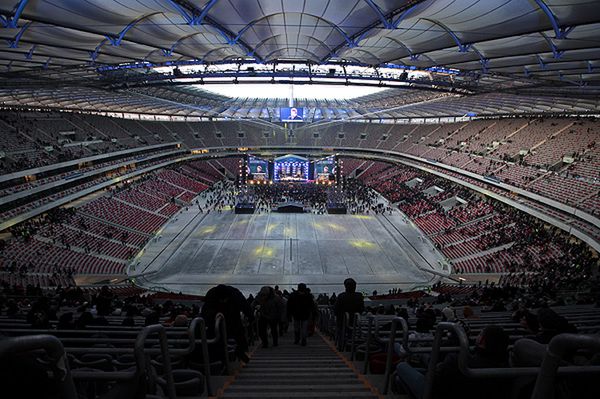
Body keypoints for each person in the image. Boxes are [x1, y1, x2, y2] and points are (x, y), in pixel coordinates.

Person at [395, 325, 510, 399]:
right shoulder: (506, 369)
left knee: (401, 366)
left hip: (434, 393)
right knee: (412, 373)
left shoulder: (458, 361)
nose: (477, 336)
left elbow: (435, 378)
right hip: (459, 390)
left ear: (482, 340)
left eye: (480, 334)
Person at [200, 284, 254, 363]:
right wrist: (214, 315)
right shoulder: (211, 294)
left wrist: (251, 317)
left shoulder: (236, 294)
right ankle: (224, 359)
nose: (223, 301)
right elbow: (205, 311)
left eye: (224, 299)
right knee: (219, 338)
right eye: (221, 300)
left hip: (233, 318)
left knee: (239, 334)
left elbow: (245, 306)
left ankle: (240, 352)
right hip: (217, 320)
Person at [334, 278, 364, 345]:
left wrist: (337, 315)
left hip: (342, 320)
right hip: (354, 320)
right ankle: (350, 344)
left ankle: (341, 344)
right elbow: (361, 308)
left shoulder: (341, 296)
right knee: (351, 332)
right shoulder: (359, 296)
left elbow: (336, 309)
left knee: (341, 331)